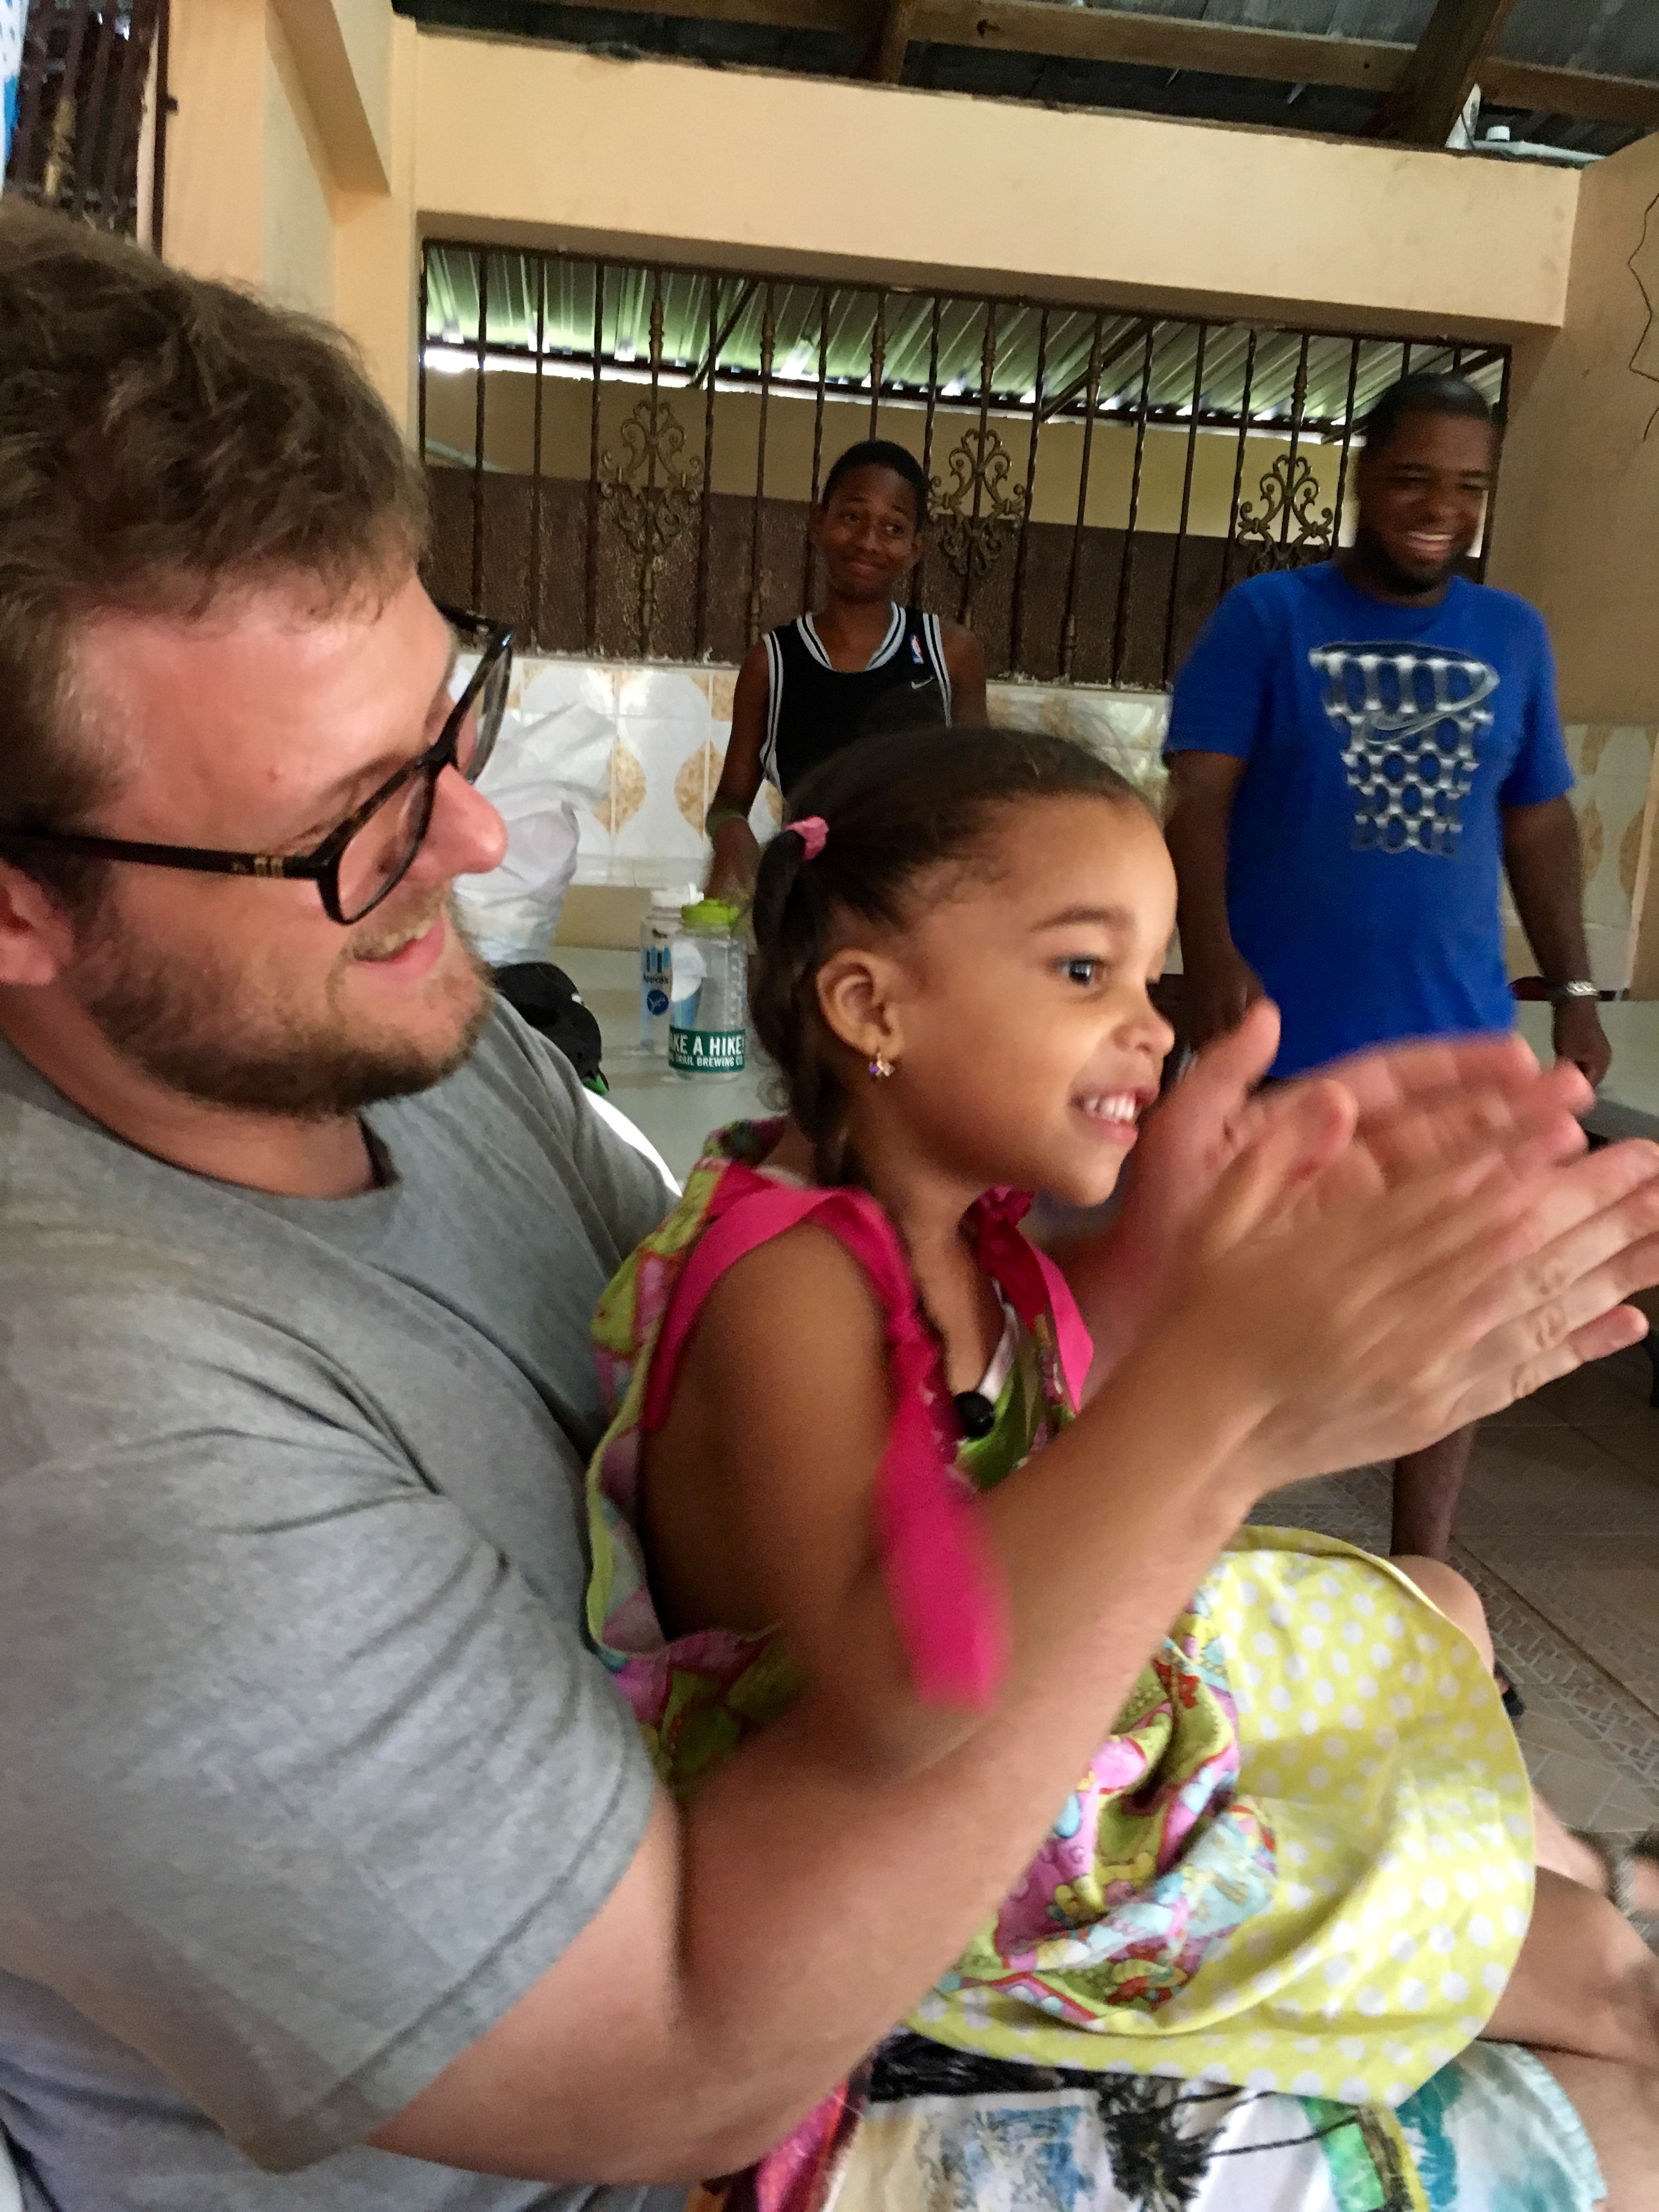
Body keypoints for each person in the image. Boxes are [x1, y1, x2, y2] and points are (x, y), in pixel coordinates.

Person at [3, 205, 1659, 2212]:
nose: (479, 832)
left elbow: (931, 1398)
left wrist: (1181, 1269)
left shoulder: (398, 1041)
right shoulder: (84, 1418)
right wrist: (1229, 1400)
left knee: (1465, 1692)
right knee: (1625, 2068)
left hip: (855, 1872)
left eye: (450, 722)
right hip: (704, 2112)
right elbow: (683, 2057)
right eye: (351, 820)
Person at [583, 725, 1659, 2206]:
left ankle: (1543, 1907)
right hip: (940, 1866)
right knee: (1607, 1978)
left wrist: (1191, 1239)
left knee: (1440, 1607)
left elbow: (1073, 1412)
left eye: (1153, 977)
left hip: (1052, 1753)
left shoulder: (964, 1233)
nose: (1153, 1025)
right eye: (1085, 973)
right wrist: (1244, 1381)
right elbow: (906, 1683)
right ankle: (1536, 1959)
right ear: (869, 1003)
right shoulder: (792, 1293)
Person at [1164, 371, 1613, 1567]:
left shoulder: (1512, 636)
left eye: (1468, 486)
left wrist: (1573, 991)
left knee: (1452, 1321)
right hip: (1280, 1038)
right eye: (1415, 475)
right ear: (1367, 477)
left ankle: (1424, 1572)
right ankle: (1201, 1574)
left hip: (1456, 1046)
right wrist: (1209, 958)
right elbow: (1198, 796)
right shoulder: (1266, 619)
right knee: (1247, 1316)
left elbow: (1539, 824)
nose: (1439, 506)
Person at [704, 439, 986, 900]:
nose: (868, 542)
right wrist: (732, 833)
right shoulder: (772, 664)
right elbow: (729, 803)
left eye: (892, 527)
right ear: (819, 523)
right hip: (805, 914)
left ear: (914, 549)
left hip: (917, 912)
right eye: (852, 517)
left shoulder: (949, 654)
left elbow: (981, 792)